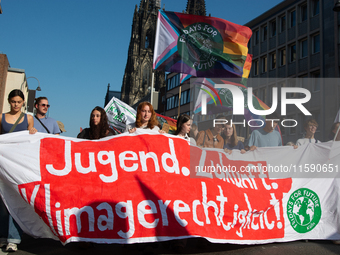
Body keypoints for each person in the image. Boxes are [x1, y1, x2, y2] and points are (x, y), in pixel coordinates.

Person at [0, 89, 37, 252]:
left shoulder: (28, 118)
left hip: (18, 164)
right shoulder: (1, 117)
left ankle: (13, 238)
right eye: (13, 101)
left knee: (16, 200)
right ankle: (3, 235)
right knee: (3, 201)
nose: (16, 104)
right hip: (3, 163)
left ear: (23, 102)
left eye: (19, 102)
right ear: (9, 101)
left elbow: (30, 139)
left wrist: (33, 132)